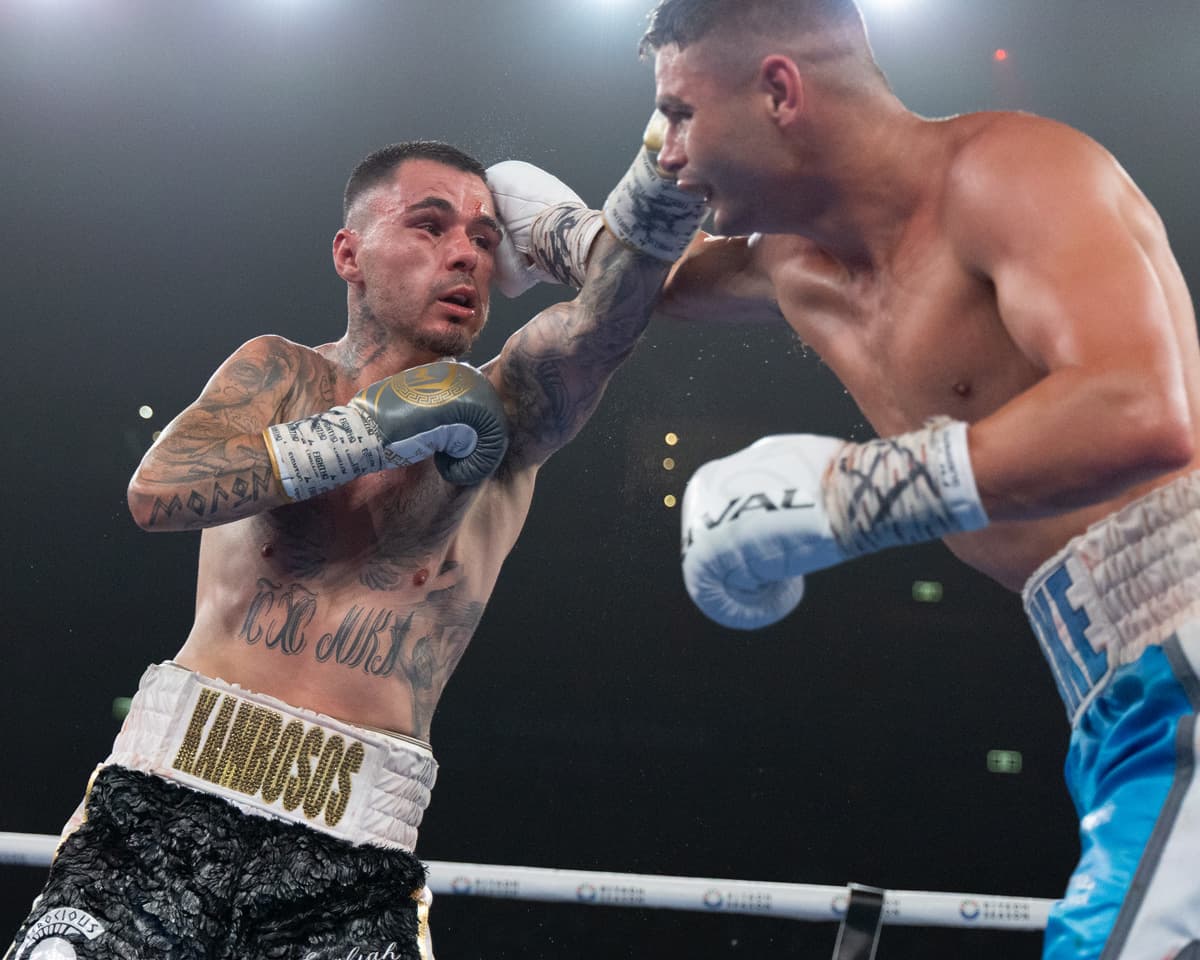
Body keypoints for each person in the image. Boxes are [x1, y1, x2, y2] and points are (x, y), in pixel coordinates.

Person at [5, 137, 706, 960]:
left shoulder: (508, 415)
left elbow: (613, 316)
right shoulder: (278, 374)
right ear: (350, 252)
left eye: (485, 239)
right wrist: (366, 435)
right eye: (431, 226)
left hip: (351, 857)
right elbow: (156, 494)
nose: (466, 256)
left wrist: (595, 209)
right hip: (163, 802)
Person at [638, 1, 1200, 958]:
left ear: (780, 90)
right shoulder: (791, 266)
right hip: (1117, 698)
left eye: (680, 114)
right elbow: (641, 285)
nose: (664, 148)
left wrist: (849, 497)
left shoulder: (1010, 172)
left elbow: (1142, 411)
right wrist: (534, 228)